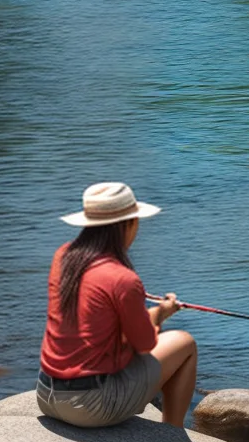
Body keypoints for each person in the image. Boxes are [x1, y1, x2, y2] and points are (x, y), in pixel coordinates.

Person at [37, 181, 198, 429]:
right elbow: (145, 345)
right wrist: (157, 317)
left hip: (46, 393)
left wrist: (160, 313)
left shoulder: (63, 256)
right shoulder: (123, 278)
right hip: (89, 407)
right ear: (128, 224)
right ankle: (172, 431)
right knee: (185, 343)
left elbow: (92, 327)